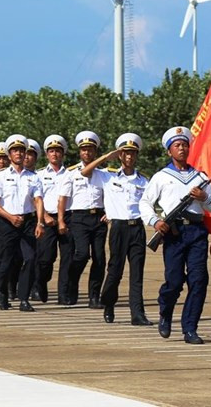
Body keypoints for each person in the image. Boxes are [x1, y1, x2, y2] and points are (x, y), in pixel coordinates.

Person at [139, 126, 211, 344]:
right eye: (177, 145)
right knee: (174, 281)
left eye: (185, 145)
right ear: (169, 151)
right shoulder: (161, 177)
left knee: (199, 280)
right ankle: (165, 310)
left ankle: (190, 328)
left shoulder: (201, 176)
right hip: (173, 232)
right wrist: (155, 221)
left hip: (196, 231)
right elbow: (145, 203)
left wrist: (204, 197)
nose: (182, 149)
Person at [81, 133, 153, 326]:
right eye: (125, 153)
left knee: (137, 273)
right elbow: (85, 172)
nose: (129, 157)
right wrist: (106, 157)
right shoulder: (107, 176)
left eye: (132, 153)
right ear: (120, 155)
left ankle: (137, 314)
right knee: (115, 271)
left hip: (137, 227)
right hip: (118, 228)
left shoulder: (144, 181)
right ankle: (108, 303)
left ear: (136, 156)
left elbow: (150, 203)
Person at [0, 134, 45, 311]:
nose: (19, 154)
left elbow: (38, 201)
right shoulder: (0, 176)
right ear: (9, 154)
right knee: (6, 260)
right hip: (8, 222)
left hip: (28, 221)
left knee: (30, 259)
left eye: (22, 150)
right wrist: (9, 217)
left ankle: (23, 298)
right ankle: (2, 294)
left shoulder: (33, 177)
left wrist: (40, 222)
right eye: (15, 150)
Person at [57, 130, 107, 307]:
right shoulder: (71, 173)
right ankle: (71, 285)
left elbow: (110, 196)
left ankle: (94, 296)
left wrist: (109, 212)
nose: (87, 153)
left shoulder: (103, 174)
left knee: (99, 257)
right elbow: (63, 198)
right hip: (78, 218)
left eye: (91, 149)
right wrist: (61, 220)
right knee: (82, 254)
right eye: (84, 150)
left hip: (99, 218)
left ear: (95, 152)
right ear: (80, 152)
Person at [35, 134, 68, 304]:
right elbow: (35, 198)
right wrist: (44, 216)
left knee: (67, 258)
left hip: (66, 218)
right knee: (46, 258)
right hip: (46, 219)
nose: (54, 154)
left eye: (58, 151)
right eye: (51, 151)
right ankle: (40, 282)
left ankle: (63, 294)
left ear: (63, 154)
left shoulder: (70, 174)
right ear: (47, 154)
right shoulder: (39, 175)